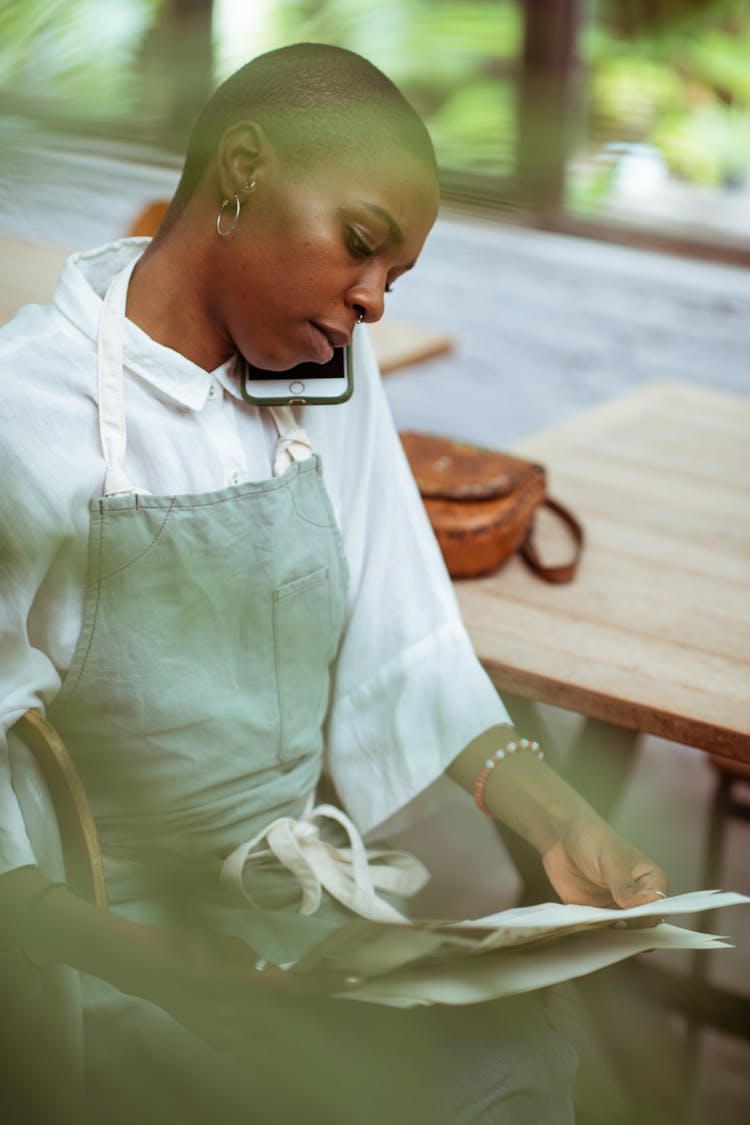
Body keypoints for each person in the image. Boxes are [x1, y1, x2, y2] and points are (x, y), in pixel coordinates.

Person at [0, 42, 667, 1125]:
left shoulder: (318, 384)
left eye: (393, 281)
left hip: (288, 927)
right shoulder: (27, 413)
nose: (371, 304)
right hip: (101, 960)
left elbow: (405, 640)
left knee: (506, 1063)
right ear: (244, 172)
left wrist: (558, 822)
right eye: (361, 247)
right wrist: (159, 959)